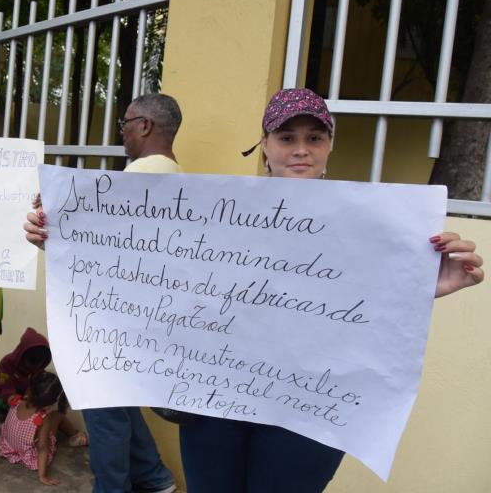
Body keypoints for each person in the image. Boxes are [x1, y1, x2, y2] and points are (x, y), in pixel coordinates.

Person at [172, 87, 485, 492]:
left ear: (329, 146)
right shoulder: (217, 215)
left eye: (314, 138)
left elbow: (365, 307)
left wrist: (428, 286)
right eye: (286, 138)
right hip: (215, 401)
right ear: (264, 146)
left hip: (309, 409)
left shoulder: (368, 227)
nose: (301, 149)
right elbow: (163, 282)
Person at [24, 93, 182, 493]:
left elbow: (91, 248)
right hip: (143, 317)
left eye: (125, 123)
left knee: (102, 409)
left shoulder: (132, 183)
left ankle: (113, 488)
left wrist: (55, 218)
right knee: (120, 402)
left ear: (144, 125)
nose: (123, 133)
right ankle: (154, 477)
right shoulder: (177, 181)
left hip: (109, 320)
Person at [0, 371, 88, 486]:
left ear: (29, 389)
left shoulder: (17, 402)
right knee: (58, 416)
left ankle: (75, 436)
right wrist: (42, 475)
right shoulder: (44, 417)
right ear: (53, 400)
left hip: (9, 446)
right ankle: (75, 436)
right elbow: (43, 447)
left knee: (49, 420)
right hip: (29, 453)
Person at [0, 327, 52, 423]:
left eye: (37, 366)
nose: (32, 369)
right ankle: (3, 418)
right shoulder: (7, 363)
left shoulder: (38, 368)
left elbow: (36, 386)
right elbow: (4, 386)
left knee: (30, 406)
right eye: (30, 365)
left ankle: (13, 419)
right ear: (22, 355)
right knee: (8, 409)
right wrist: (12, 398)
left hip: (20, 396)